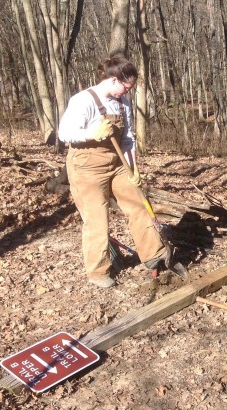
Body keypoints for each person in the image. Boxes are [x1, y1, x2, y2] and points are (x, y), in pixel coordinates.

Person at [58, 55, 174, 288]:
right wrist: (93, 133)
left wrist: (133, 168)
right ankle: (98, 271)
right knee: (97, 218)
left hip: (117, 163)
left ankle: (154, 255)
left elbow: (128, 139)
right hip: (86, 166)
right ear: (112, 79)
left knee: (138, 204)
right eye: (125, 86)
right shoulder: (83, 100)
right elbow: (65, 133)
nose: (127, 91)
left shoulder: (123, 102)